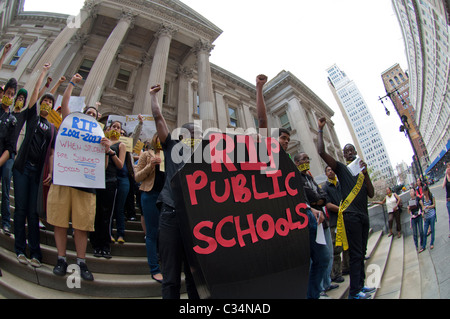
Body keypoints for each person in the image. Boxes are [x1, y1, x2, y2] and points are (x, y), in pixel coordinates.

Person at [46, 73, 111, 281]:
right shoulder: (69, 123)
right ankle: (61, 259)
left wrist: (107, 150)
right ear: (82, 114)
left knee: (82, 226)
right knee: (60, 222)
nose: (91, 114)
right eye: (88, 111)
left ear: (97, 119)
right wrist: (72, 84)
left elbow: (104, 167)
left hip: (86, 184)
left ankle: (81, 262)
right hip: (64, 180)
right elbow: (64, 103)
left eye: (94, 113)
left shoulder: (101, 137)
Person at [149, 84, 199, 299]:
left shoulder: (205, 158)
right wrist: (153, 96)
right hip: (171, 214)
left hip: (196, 220)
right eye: (194, 133)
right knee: (170, 276)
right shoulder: (172, 148)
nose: (198, 137)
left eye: (200, 135)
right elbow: (159, 117)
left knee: (195, 276)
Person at [317, 117, 376, 299]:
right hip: (351, 216)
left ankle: (361, 286)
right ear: (343, 155)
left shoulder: (361, 172)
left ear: (356, 153)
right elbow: (321, 151)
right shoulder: (342, 169)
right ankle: (354, 292)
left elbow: (372, 194)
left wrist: (366, 174)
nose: (350, 153)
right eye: (346, 151)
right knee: (356, 254)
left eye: (352, 150)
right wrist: (320, 130)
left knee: (361, 254)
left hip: (363, 215)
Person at [12, 63, 56, 268]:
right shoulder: (33, 117)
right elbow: (35, 94)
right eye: (44, 101)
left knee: (32, 212)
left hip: (36, 172)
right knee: (20, 210)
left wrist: (51, 171)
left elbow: (51, 152)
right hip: (22, 169)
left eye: (49, 102)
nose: (46, 103)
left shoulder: (51, 128)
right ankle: (20, 249)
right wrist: (43, 75)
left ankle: (36, 253)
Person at [293, 153, 335, 298]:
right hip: (311, 221)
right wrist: (316, 201)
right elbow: (311, 196)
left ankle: (326, 282)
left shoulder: (310, 178)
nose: (306, 161)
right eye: (303, 159)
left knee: (327, 255)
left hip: (322, 222)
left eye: (307, 159)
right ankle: (319, 289)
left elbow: (322, 195)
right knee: (317, 258)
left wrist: (319, 200)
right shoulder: (297, 178)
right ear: (297, 162)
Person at [90, 120, 126, 259]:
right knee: (96, 213)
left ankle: (105, 245)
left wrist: (110, 152)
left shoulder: (121, 145)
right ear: (108, 129)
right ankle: (95, 244)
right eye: (113, 127)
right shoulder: (102, 141)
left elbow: (120, 165)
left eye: (118, 127)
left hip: (111, 181)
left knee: (107, 215)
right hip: (97, 180)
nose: (116, 129)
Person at [135, 132, 165, 283]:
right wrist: (150, 165)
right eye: (160, 136)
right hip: (150, 196)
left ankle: (165, 263)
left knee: (165, 233)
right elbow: (137, 177)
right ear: (155, 139)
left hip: (166, 198)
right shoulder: (147, 154)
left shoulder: (171, 155)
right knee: (152, 233)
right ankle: (154, 269)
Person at [322, 165, 349, 283]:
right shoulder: (325, 187)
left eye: (332, 169)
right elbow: (327, 205)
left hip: (346, 219)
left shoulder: (340, 184)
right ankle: (336, 273)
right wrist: (341, 209)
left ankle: (347, 267)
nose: (331, 171)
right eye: (328, 170)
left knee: (347, 245)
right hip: (335, 222)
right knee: (336, 249)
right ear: (325, 174)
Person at [0, 78, 20, 236]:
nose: (10, 96)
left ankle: (6, 222)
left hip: (2, 158)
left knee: (6, 189)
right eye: (8, 93)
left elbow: (10, 146)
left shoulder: (13, 119)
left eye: (12, 94)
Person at [420, 185, 436, 250]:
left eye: (425, 192)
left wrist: (429, 207)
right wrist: (423, 212)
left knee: (432, 229)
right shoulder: (423, 198)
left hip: (432, 214)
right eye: (423, 193)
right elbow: (423, 207)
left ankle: (431, 243)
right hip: (426, 216)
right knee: (425, 231)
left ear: (427, 191)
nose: (424, 194)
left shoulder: (431, 195)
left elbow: (434, 205)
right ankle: (424, 246)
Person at [442, 162, 450, 238]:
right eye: (447, 168)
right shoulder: (446, 178)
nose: (448, 169)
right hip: (448, 200)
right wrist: (445, 175)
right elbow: (443, 186)